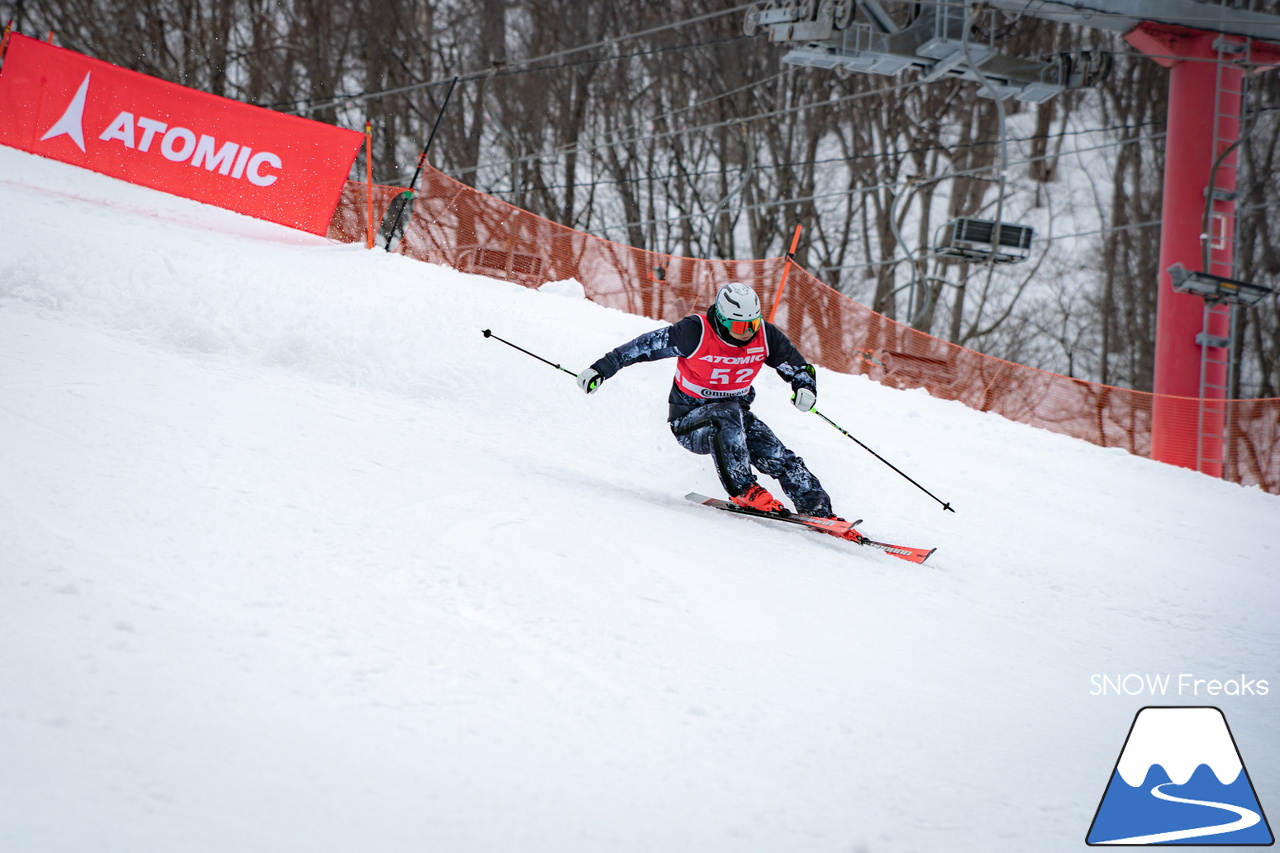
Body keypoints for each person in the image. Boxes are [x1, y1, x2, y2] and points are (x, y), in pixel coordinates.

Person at [577, 281, 856, 539]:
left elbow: (796, 366)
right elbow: (641, 347)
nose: (746, 333)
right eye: (738, 327)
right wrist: (600, 370)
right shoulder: (695, 331)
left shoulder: (765, 336)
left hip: (735, 418)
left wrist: (805, 387)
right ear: (722, 320)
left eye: (752, 325)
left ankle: (820, 513)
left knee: (780, 456)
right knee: (726, 413)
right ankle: (744, 490)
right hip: (690, 423)